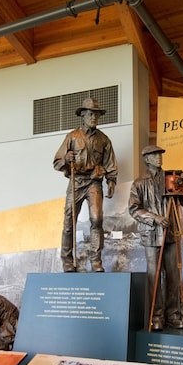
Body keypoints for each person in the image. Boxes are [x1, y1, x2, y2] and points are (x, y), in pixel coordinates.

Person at [128, 145, 183, 331]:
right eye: (154, 155)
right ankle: (156, 316)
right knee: (154, 277)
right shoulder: (139, 184)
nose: (159, 157)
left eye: (160, 154)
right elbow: (134, 209)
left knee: (173, 275)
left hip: (171, 234)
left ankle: (173, 315)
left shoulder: (170, 178)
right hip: (151, 235)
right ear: (146, 158)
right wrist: (156, 219)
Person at [53, 98, 118, 273]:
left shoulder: (104, 140)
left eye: (96, 114)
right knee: (69, 222)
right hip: (76, 182)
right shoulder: (72, 137)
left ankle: (96, 260)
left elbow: (110, 164)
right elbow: (57, 162)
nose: (94, 117)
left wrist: (111, 181)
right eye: (90, 114)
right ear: (83, 115)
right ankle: (67, 260)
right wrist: (66, 159)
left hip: (94, 183)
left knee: (97, 219)